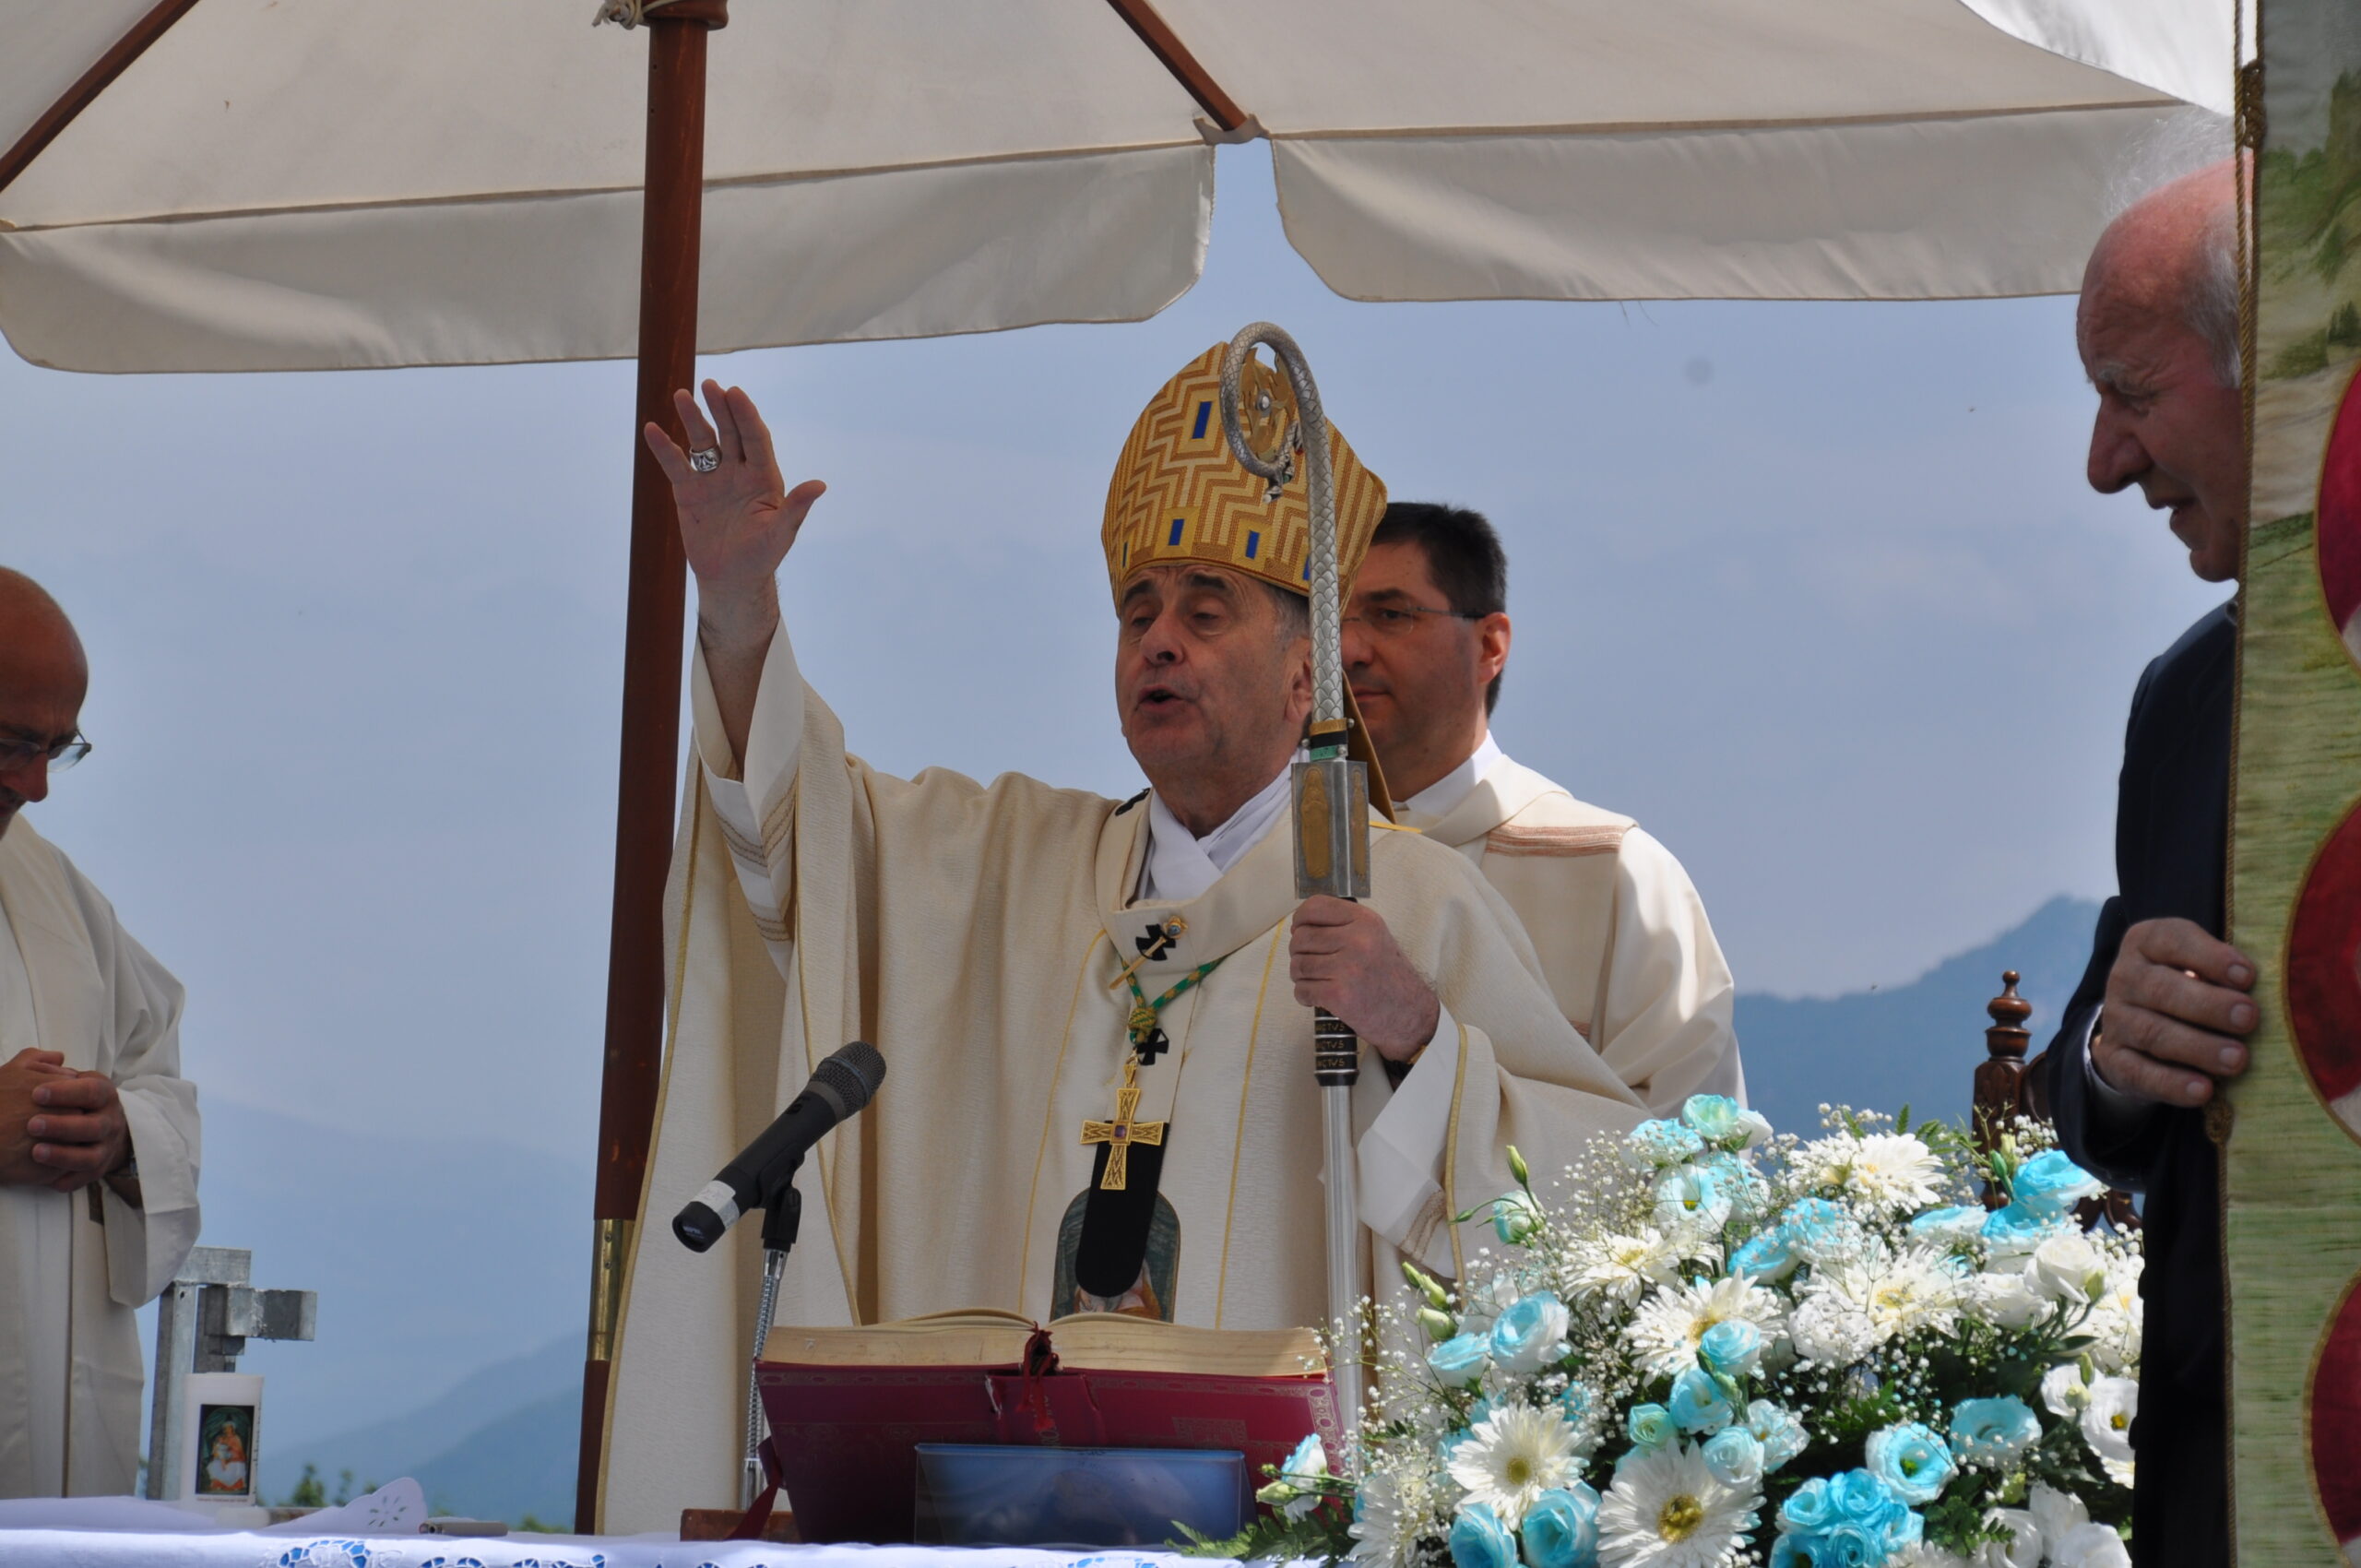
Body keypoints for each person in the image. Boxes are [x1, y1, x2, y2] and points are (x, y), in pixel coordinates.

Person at [599, 348, 1653, 1526]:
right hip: (1006, 1509)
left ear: (1309, 670)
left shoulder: (1402, 901)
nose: (1159, 640)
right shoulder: (1010, 870)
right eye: (1137, 614)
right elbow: (801, 846)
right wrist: (742, 608)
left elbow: (1609, 1203)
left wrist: (1416, 1034)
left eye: (1206, 613)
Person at [2043, 162, 2253, 1568]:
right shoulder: (2188, 699)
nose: (2104, 462)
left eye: (2131, 389)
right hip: (2222, 1489)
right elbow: (2084, 1075)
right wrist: (2122, 1045)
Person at [1344, 504, 1741, 1112]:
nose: (1348, 649)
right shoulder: (1263, 864)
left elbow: (1685, 1149)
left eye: (1390, 616)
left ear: (1490, 645)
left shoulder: (1615, 871)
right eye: (1325, 621)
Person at [0, 568, 202, 1497]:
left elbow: (156, 1074)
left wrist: (121, 1133)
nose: (36, 786)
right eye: (11, 743)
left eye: (58, 748)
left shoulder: (52, 892)